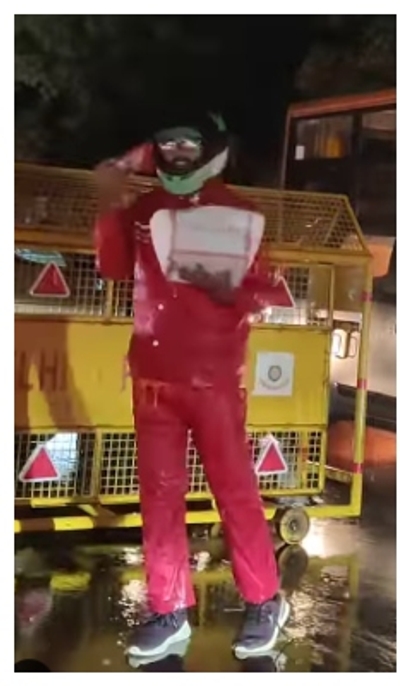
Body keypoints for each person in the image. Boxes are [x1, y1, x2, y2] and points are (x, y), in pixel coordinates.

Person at [93, 113, 289, 658]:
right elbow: (112, 267)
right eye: (165, 143)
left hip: (213, 382)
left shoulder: (238, 211)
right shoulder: (145, 209)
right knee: (159, 497)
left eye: (188, 141)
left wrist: (240, 291)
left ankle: (264, 599)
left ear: (211, 148)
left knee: (234, 491)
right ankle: (168, 609)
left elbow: (257, 289)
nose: (177, 150)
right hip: (154, 380)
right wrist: (114, 198)